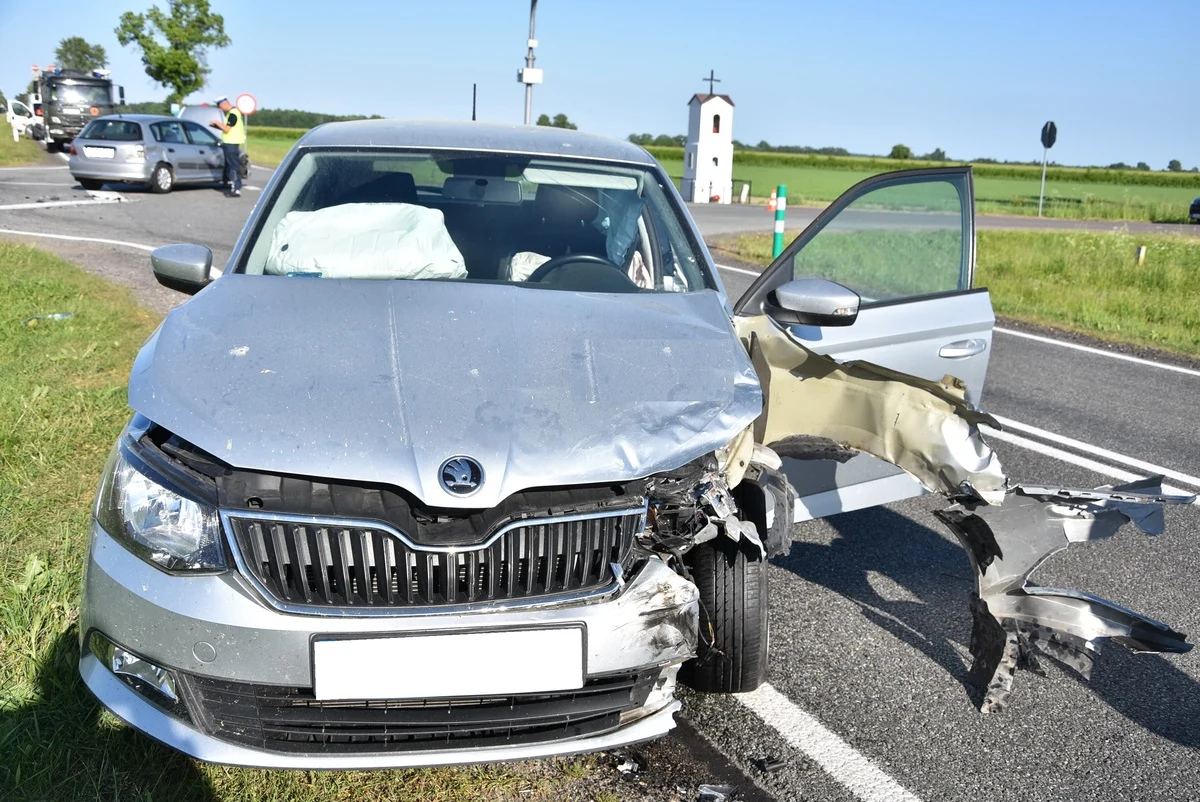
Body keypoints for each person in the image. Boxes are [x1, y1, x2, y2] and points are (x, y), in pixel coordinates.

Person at [208, 96, 246, 197]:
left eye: (220, 106)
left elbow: (227, 129)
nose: (220, 109)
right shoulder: (232, 113)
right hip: (230, 142)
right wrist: (215, 126)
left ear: (224, 103)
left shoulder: (233, 114)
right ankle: (229, 183)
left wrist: (217, 122)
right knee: (230, 165)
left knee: (233, 165)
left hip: (232, 143)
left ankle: (236, 188)